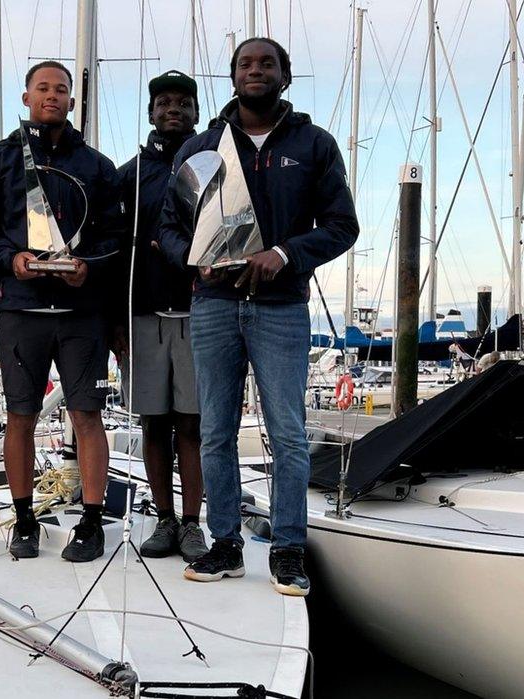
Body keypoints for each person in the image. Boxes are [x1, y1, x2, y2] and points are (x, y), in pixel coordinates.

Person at [159, 38, 358, 595]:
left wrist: (284, 254)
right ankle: (226, 545)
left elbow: (342, 225)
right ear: (232, 76)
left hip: (281, 308)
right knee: (216, 432)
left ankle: (289, 549)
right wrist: (196, 262)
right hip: (214, 305)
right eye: (246, 63)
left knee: (288, 434)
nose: (256, 71)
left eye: (266, 63)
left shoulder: (313, 145)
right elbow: (167, 230)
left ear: (285, 75)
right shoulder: (201, 148)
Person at [0, 60, 121, 563]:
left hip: (81, 312)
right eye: (43, 88)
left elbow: (114, 237)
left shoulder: (96, 166)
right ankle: (25, 520)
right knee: (20, 416)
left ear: (72, 102)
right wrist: (9, 260)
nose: (52, 96)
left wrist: (88, 268)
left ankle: (92, 523)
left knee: (86, 414)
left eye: (61, 90)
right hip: (21, 309)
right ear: (26, 96)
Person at [114, 70, 208, 563]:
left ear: (196, 110)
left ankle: (193, 524)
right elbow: (111, 251)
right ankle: (165, 520)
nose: (173, 109)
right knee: (154, 425)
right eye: (164, 102)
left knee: (192, 426)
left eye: (184, 103)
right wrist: (115, 321)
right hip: (142, 314)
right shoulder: (129, 174)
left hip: (201, 313)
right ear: (151, 112)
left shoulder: (217, 164)